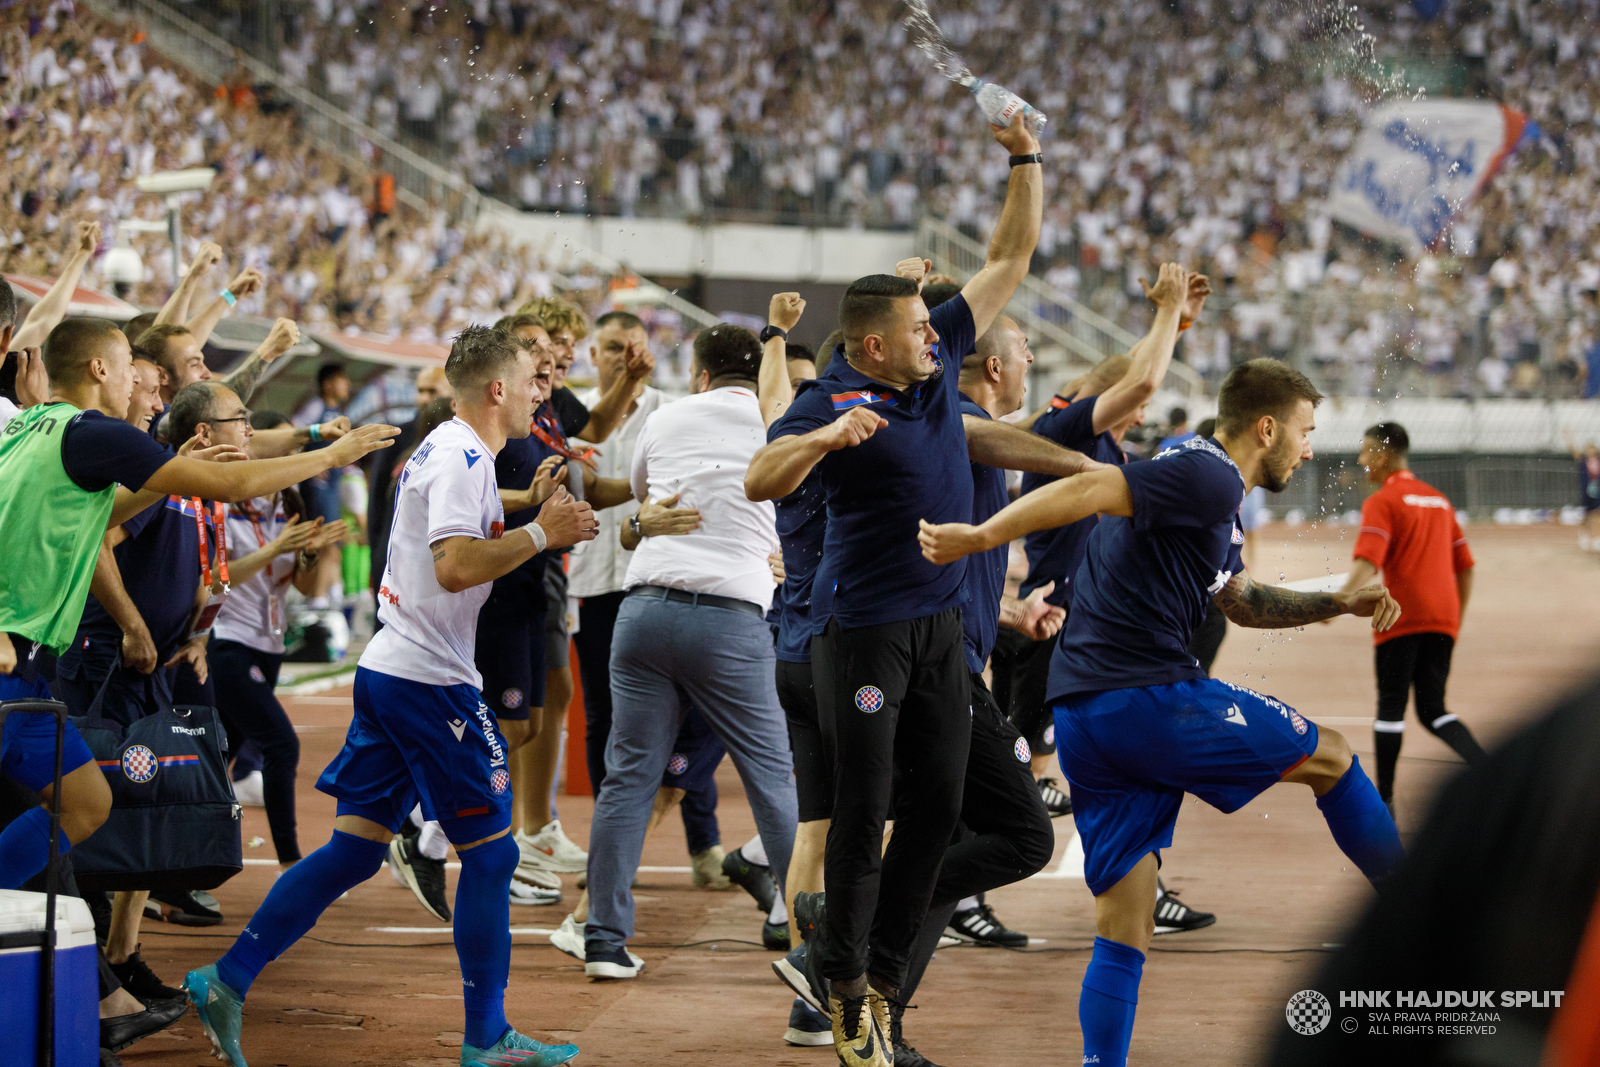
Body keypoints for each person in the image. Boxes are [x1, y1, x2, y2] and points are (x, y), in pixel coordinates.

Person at [917, 358, 1407, 1067]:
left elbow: (1239, 600)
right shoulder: (1209, 474)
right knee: (1330, 756)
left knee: (1125, 921)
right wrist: (979, 537)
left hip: (1086, 713)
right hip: (1146, 697)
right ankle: (1422, 912)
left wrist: (1336, 600)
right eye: (1303, 432)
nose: (1308, 448)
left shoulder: (1199, 476)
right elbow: (1088, 485)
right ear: (1265, 427)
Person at [746, 110, 1088, 1067]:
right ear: (868, 346)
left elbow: (1011, 252)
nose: (937, 342)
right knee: (865, 812)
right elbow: (760, 478)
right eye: (914, 331)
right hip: (860, 638)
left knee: (951, 815)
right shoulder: (831, 401)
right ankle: (847, 988)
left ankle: (872, 972)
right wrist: (821, 440)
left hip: (938, 633)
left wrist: (1023, 154)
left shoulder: (933, 365)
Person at [183, 324, 596, 1067]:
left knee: (353, 852)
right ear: (499, 388)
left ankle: (227, 976)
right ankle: (487, 1038)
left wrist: (522, 505)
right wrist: (542, 531)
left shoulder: (450, 446)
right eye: (536, 377)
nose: (545, 390)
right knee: (493, 858)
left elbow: (452, 527)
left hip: (394, 668)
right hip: (429, 680)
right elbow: (455, 565)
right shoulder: (465, 454)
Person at [0, 317, 398, 895]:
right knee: (82, 806)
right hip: (25, 657)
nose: (143, 388)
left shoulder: (29, 423)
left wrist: (172, 476)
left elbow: (100, 516)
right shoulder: (92, 431)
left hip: (33, 666)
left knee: (85, 803)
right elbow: (236, 486)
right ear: (100, 369)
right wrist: (332, 456)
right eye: (133, 374)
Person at [580, 323, 800, 982]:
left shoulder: (669, 415)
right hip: (732, 617)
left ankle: (603, 938)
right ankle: (816, 942)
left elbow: (648, 500)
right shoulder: (779, 422)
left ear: (700, 374)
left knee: (627, 778)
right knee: (773, 779)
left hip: (643, 607)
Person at [207, 406, 349, 872]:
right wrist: (275, 549)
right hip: (226, 640)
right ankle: (291, 862)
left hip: (270, 646)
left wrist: (312, 555)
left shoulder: (288, 503)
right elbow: (213, 581)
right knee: (282, 744)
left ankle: (185, 860)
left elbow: (306, 588)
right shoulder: (222, 501)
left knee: (216, 756)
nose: (290, 458)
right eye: (284, 448)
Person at [1342, 422, 1485, 818]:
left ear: (1384, 455)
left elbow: (1369, 559)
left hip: (1400, 618)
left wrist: (1336, 602)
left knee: (1391, 707)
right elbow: (1466, 567)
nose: (1361, 459)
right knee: (1433, 710)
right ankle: (1488, 772)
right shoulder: (1439, 500)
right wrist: (1454, 617)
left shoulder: (1383, 501)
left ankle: (1383, 804)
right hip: (1443, 619)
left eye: (1367, 451)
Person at [368, 366, 454, 617]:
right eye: (420, 391)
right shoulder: (396, 436)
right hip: (391, 555)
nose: (424, 398)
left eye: (432, 391)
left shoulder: (462, 441)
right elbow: (376, 506)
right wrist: (377, 555)